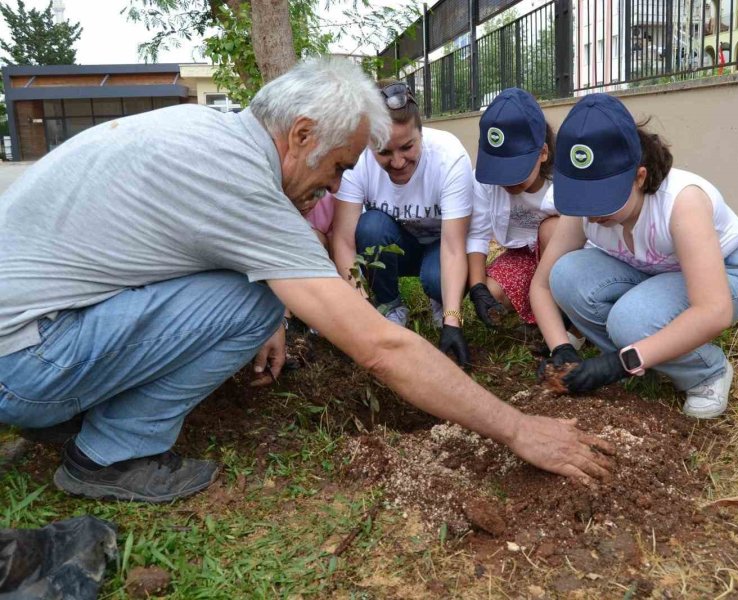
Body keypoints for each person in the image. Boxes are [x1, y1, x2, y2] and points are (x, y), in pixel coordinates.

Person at [0, 57, 614, 503]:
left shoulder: (211, 136)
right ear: (300, 134)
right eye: (339, 165)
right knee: (250, 299)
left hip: (31, 332)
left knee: (262, 299)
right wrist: (517, 427)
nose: (336, 184)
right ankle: (109, 455)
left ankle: (72, 406)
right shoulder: (241, 180)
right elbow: (380, 346)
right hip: (25, 361)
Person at [531, 93, 738, 418]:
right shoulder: (583, 208)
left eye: (601, 200)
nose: (591, 215)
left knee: (631, 321)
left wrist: (622, 363)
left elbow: (714, 309)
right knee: (565, 274)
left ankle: (706, 371)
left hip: (724, 276)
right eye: (583, 198)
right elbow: (543, 286)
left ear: (639, 176)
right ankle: (649, 353)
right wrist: (561, 349)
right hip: (648, 269)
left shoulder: (681, 202)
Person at [331, 81, 473, 367]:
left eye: (407, 147)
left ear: (421, 133)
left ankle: (441, 300)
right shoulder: (357, 160)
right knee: (370, 226)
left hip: (440, 244)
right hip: (397, 244)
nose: (397, 162)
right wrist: (360, 309)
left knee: (436, 278)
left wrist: (452, 322)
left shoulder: (449, 157)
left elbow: (455, 247)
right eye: (384, 152)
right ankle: (390, 304)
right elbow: (343, 240)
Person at [467, 88, 559, 329]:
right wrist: (478, 288)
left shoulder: (561, 184)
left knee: (553, 228)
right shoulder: (483, 182)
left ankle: (562, 318)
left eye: (516, 171)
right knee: (492, 292)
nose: (507, 181)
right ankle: (537, 306)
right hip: (522, 256)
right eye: (499, 171)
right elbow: (477, 234)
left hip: (561, 256)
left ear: (542, 153)